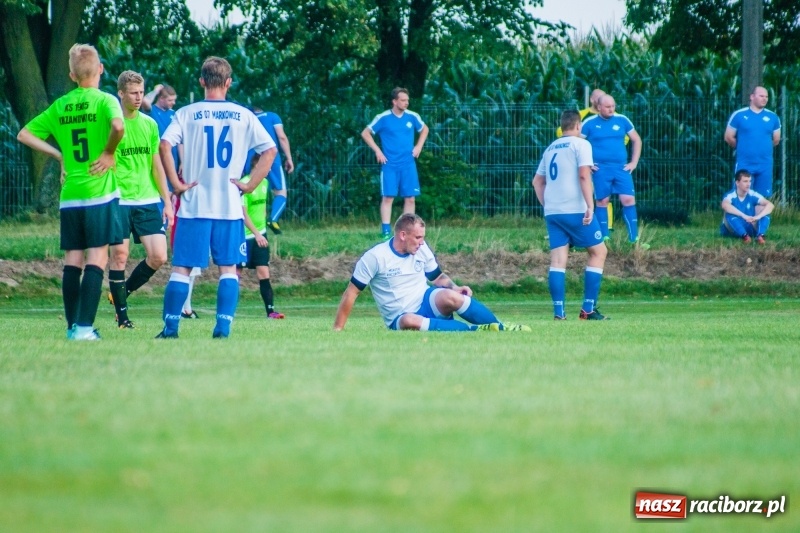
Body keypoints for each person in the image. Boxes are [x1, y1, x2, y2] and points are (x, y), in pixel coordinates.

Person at [156, 56, 277, 339]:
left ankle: (171, 328)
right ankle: (222, 328)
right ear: (228, 83)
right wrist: (249, 185)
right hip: (229, 206)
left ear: (201, 82)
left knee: (182, 267)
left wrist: (176, 183)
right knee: (228, 268)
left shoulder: (186, 113)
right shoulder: (244, 114)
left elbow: (164, 145)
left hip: (194, 205)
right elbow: (270, 151)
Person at [17, 43, 125, 340]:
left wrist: (59, 155)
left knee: (72, 262)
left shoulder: (61, 105)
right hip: (98, 193)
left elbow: (24, 134)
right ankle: (85, 329)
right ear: (100, 69)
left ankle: (71, 327)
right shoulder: (105, 100)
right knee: (97, 259)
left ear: (71, 75)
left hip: (70, 196)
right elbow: (118, 127)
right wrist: (108, 153)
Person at [333, 213, 530, 332]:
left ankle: (500, 327)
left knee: (451, 297)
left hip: (426, 300)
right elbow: (351, 293)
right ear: (403, 235)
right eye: (417, 237)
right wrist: (338, 329)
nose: (421, 242)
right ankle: (475, 330)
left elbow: (437, 277)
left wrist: (455, 287)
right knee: (411, 320)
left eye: (423, 237)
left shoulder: (421, 248)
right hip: (400, 316)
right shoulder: (375, 257)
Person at [107, 71, 175, 329]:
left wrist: (166, 201)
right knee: (120, 257)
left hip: (147, 199)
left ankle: (120, 293)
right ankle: (123, 318)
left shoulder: (149, 124)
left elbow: (156, 165)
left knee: (158, 256)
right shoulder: (110, 125)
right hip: (119, 200)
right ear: (121, 94)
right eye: (133, 93)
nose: (138, 97)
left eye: (141, 92)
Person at [534, 110, 608, 320]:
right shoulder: (581, 144)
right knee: (598, 252)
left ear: (562, 126)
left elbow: (537, 182)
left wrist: (549, 205)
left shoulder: (550, 148)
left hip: (553, 212)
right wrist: (590, 206)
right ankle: (587, 309)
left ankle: (559, 313)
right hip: (575, 209)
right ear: (578, 126)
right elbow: (583, 175)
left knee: (558, 261)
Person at [362, 88, 429, 240]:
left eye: (407, 100)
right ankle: (386, 231)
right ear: (395, 101)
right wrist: (378, 151)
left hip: (408, 164)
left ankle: (408, 230)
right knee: (388, 197)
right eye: (403, 100)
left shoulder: (412, 116)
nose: (407, 103)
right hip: (390, 164)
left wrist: (418, 146)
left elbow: (425, 129)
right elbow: (365, 133)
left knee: (410, 198)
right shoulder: (383, 118)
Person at [581, 94, 645, 246]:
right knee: (602, 200)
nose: (611, 109)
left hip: (621, 168)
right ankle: (604, 238)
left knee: (628, 199)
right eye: (608, 107)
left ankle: (633, 239)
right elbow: (578, 143)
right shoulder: (589, 123)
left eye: (613, 106)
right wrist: (587, 163)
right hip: (600, 169)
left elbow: (637, 140)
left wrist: (633, 162)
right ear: (599, 107)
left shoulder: (622, 120)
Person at [556, 89, 616, 232]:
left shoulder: (614, 118)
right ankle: (581, 227)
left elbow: (622, 137)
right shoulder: (582, 116)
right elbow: (563, 131)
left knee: (603, 196)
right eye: (599, 98)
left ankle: (606, 227)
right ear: (592, 100)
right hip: (583, 164)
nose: (602, 100)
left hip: (602, 165)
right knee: (582, 194)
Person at [238, 152, 285, 319]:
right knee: (236, 273)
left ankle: (271, 311)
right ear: (256, 166)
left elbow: (262, 209)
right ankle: (227, 311)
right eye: (266, 165)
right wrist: (257, 234)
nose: (269, 169)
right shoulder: (243, 184)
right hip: (244, 237)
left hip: (260, 235)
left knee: (264, 273)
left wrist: (261, 231)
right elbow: (243, 214)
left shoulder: (264, 183)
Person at [243, 106, 294, 235]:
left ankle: (247, 225)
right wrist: (289, 158)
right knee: (280, 192)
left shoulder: (246, 119)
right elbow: (281, 137)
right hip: (271, 157)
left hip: (250, 159)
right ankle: (273, 219)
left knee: (247, 192)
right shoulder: (272, 116)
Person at [724, 86, 781, 198]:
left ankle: (760, 216)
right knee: (740, 195)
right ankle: (738, 216)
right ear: (752, 97)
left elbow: (776, 140)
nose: (765, 99)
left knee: (762, 197)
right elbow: (728, 137)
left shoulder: (773, 117)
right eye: (761, 96)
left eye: (766, 96)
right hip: (745, 163)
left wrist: (761, 149)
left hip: (765, 164)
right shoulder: (739, 115)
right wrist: (743, 147)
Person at [720, 169, 774, 244]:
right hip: (732, 228)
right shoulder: (731, 195)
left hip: (749, 224)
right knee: (728, 213)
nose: (748, 184)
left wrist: (758, 217)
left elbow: (770, 205)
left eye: (750, 181)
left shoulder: (752, 194)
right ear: (737, 183)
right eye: (745, 181)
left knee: (764, 210)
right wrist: (744, 216)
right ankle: (744, 236)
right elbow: (724, 205)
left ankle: (760, 235)